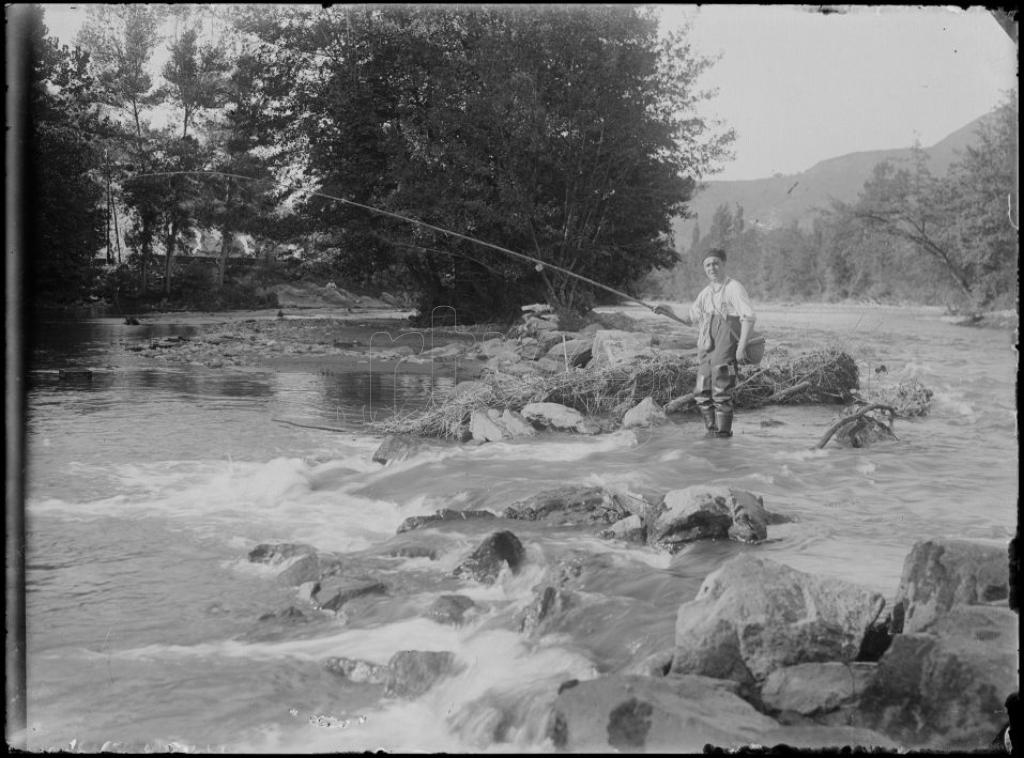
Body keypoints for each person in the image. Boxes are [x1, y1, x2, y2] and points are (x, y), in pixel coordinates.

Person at [653, 248, 756, 437]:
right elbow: (688, 318)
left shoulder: (734, 288)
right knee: (701, 391)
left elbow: (748, 318)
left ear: (723, 264)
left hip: (726, 349)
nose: (712, 267)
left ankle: (723, 436)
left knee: (722, 392)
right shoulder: (705, 294)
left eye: (716, 263)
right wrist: (666, 310)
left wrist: (741, 348)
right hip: (707, 351)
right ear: (704, 269)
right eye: (708, 265)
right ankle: (711, 432)